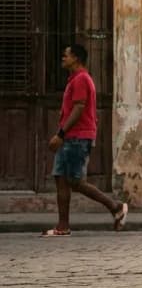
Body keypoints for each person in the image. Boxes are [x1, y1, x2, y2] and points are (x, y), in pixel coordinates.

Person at [42, 44, 128, 236]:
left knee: (75, 181)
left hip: (76, 138)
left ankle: (116, 207)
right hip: (72, 137)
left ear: (76, 58)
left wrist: (61, 134)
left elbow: (79, 108)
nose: (63, 58)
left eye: (66, 55)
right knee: (61, 179)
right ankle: (62, 226)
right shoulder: (75, 79)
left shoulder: (81, 79)